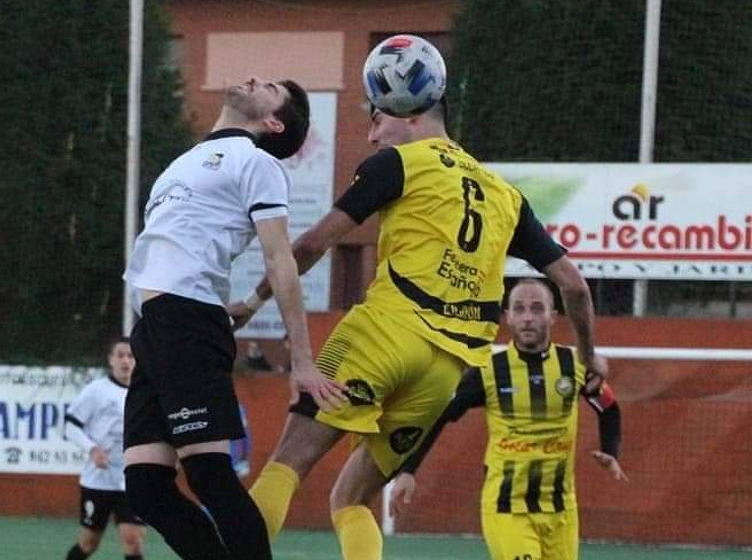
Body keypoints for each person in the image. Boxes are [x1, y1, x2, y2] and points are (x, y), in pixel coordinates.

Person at [231, 95, 605, 559]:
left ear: (412, 115)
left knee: (286, 466)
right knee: (349, 500)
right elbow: (574, 286)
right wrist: (590, 359)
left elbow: (308, 246)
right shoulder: (506, 197)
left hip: (383, 336)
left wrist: (251, 303)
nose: (371, 135)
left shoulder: (399, 164)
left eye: (377, 120)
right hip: (444, 372)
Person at [122, 75, 347, 560]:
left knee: (208, 475)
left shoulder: (257, 162)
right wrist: (245, 304)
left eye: (270, 88)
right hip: (155, 326)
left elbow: (280, 259)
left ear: (272, 121)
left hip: (189, 323)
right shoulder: (184, 162)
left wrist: (302, 361)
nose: (254, 78)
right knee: (145, 486)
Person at [390, 278, 626, 560]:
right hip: (507, 508)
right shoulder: (488, 372)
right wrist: (408, 469)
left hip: (561, 511)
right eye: (520, 309)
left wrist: (611, 451)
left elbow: (608, 407)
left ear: (552, 318)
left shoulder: (574, 365)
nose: (528, 317)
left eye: (537, 309)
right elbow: (439, 416)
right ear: (508, 317)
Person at [64, 338, 145, 560]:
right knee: (89, 544)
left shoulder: (146, 392)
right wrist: (92, 449)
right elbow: (70, 426)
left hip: (132, 479)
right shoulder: (96, 390)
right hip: (98, 479)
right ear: (110, 360)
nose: (125, 360)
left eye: (130, 355)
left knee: (133, 540)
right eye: (120, 355)